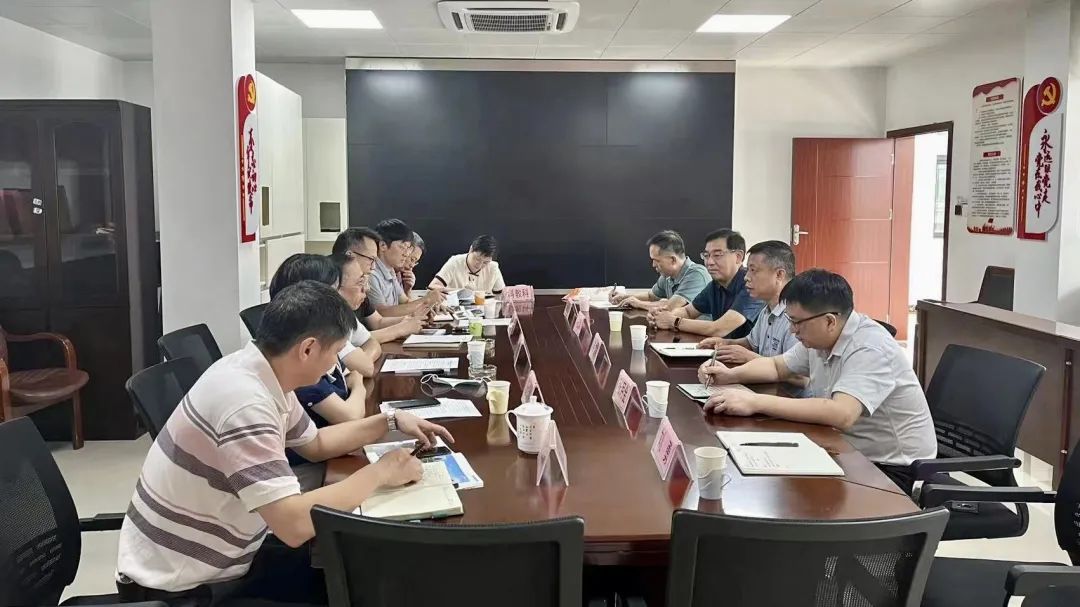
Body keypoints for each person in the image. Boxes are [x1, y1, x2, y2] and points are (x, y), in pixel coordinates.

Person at [116, 281, 453, 605]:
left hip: (229, 557)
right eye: (336, 353)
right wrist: (381, 472)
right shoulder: (245, 404)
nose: (336, 365)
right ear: (307, 349)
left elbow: (315, 443)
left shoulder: (260, 370)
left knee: (362, 575)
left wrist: (389, 421)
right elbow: (294, 525)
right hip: (185, 588)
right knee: (360, 585)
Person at [696, 269, 936, 493]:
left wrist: (754, 402)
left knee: (791, 495)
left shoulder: (870, 347)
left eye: (796, 322)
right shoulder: (820, 338)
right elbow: (777, 367)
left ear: (830, 320)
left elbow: (841, 414)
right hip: (843, 447)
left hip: (891, 468)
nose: (792, 331)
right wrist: (729, 375)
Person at [268, 253, 377, 378]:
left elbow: (369, 345)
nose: (337, 299)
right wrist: (356, 380)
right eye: (333, 291)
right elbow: (366, 368)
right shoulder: (316, 336)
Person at [698, 240, 801, 364]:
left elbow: (795, 370)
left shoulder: (796, 316)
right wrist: (724, 343)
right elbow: (751, 343)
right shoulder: (767, 310)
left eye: (753, 270)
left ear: (779, 275)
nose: (746, 277)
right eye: (748, 270)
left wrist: (749, 357)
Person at [650, 229, 764, 338]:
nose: (709, 262)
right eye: (706, 255)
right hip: (722, 348)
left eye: (717, 255)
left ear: (738, 257)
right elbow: (688, 311)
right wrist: (662, 316)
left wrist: (674, 321)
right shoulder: (715, 285)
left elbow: (719, 329)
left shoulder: (751, 285)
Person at [332, 226, 425, 343]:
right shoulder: (330, 291)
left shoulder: (360, 288)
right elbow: (349, 342)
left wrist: (411, 319)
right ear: (350, 256)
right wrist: (401, 329)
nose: (373, 266)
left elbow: (377, 322)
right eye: (371, 259)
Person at [610, 230, 710, 311]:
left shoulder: (697, 275)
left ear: (673, 260)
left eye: (657, 260)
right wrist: (624, 297)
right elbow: (651, 296)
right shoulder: (667, 276)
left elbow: (671, 307)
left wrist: (638, 303)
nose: (653, 265)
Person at [368, 218, 444, 317]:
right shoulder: (372, 274)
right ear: (383, 245)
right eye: (402, 247)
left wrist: (429, 306)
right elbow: (382, 313)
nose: (406, 254)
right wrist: (426, 300)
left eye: (408, 248)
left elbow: (405, 301)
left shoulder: (390, 270)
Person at [429, 234, 506, 295]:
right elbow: (432, 287)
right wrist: (460, 292)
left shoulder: (493, 267)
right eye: (477, 259)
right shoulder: (455, 262)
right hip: (455, 307)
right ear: (471, 249)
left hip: (484, 308)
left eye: (485, 262)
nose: (479, 265)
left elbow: (502, 294)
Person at [400, 232, 425, 299]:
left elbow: (405, 303)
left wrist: (407, 289)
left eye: (415, 262)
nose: (412, 265)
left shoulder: (400, 275)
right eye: (412, 259)